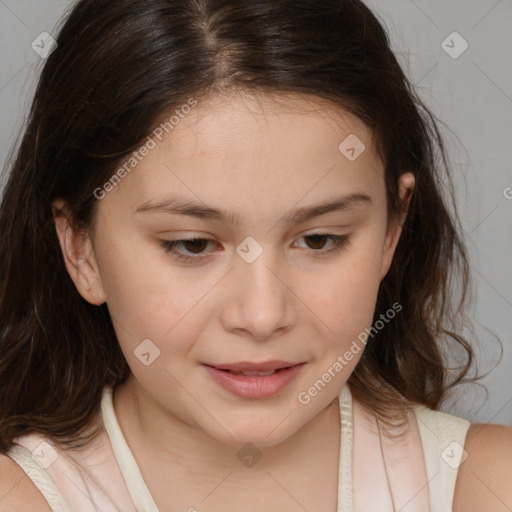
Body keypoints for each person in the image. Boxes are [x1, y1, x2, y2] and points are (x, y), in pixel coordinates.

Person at [0, 0, 511, 510]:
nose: (263, 316)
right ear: (79, 247)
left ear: (391, 231)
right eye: (192, 245)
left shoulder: (488, 487)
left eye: (319, 240)